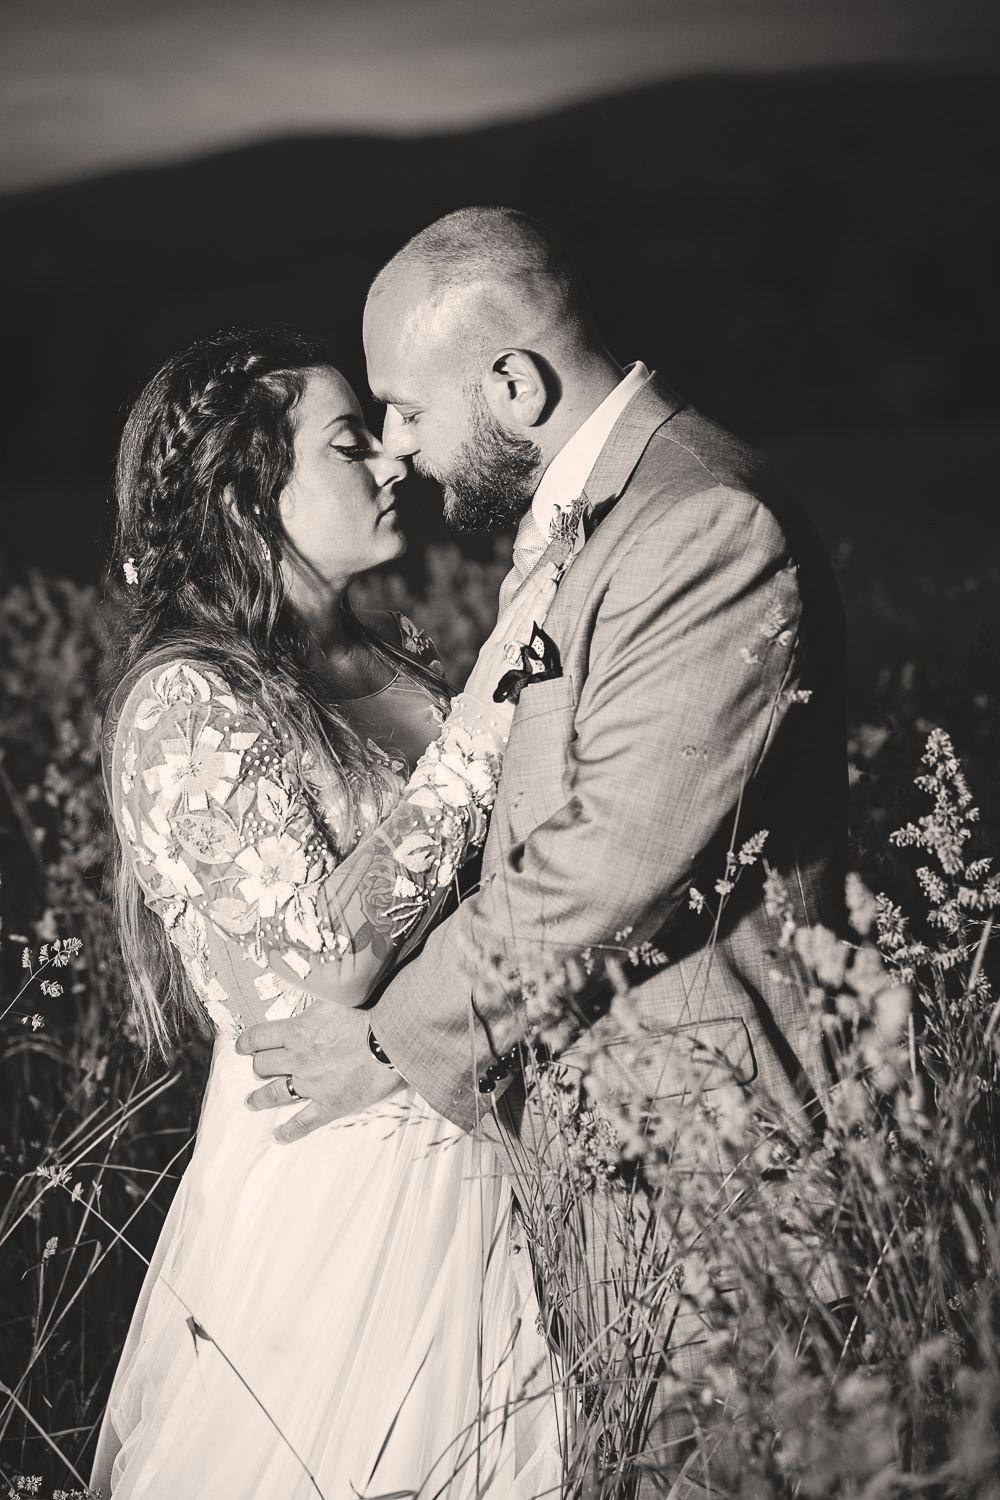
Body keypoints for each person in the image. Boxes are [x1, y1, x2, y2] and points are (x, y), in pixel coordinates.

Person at [238, 208, 849, 1494]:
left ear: (513, 386)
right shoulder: (607, 512)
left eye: (404, 409)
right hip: (600, 1145)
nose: (395, 449)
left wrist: (392, 1042)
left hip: (704, 1150)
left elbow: (609, 859)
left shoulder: (701, 522)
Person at [91, 328, 565, 1498]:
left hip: (467, 1098)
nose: (391, 462)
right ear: (251, 497)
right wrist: (489, 714)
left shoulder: (379, 650)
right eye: (350, 444)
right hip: (344, 1176)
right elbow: (318, 970)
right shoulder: (187, 699)